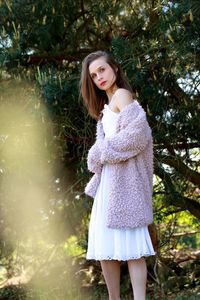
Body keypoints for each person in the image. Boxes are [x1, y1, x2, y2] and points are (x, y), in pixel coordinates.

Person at [80, 50, 155, 300]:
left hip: (125, 185)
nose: (98, 77)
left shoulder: (122, 95)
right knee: (106, 247)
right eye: (93, 75)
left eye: (102, 70)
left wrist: (100, 150)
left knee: (133, 248)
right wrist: (102, 152)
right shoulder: (104, 108)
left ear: (115, 69)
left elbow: (138, 135)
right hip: (108, 186)